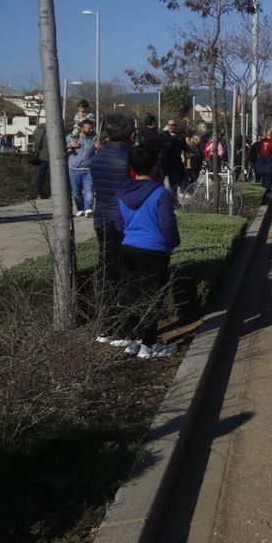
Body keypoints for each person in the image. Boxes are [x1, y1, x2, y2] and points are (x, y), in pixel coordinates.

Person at [116, 140, 181, 360]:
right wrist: (173, 242)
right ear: (155, 168)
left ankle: (133, 341)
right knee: (153, 298)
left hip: (129, 248)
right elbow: (168, 225)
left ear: (131, 168)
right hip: (154, 251)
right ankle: (149, 344)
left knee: (133, 296)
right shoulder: (160, 193)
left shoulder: (123, 193)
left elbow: (119, 223)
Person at [90, 113, 137, 346]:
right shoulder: (130, 159)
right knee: (127, 275)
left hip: (102, 220)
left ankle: (106, 326)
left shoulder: (96, 159)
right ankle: (124, 329)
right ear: (131, 135)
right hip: (126, 222)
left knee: (108, 273)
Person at [66, 119, 97, 216]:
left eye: (92, 128)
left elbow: (99, 149)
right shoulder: (72, 137)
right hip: (74, 169)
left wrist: (98, 147)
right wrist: (70, 145)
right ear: (81, 128)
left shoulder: (94, 139)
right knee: (76, 192)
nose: (91, 130)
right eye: (88, 128)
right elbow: (62, 146)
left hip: (88, 169)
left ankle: (88, 208)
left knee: (88, 190)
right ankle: (80, 208)